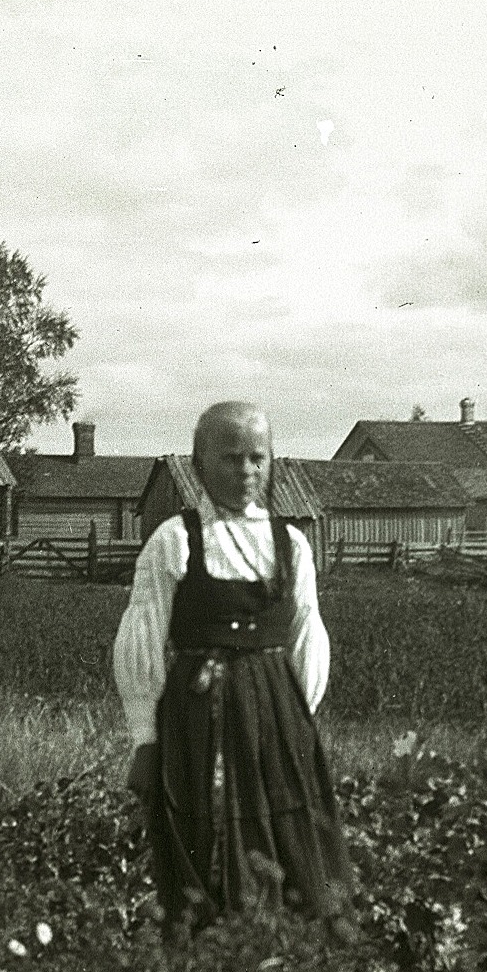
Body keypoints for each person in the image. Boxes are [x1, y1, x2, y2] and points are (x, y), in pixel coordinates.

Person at [112, 401, 358, 943]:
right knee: (205, 826)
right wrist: (145, 741)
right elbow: (142, 640)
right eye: (231, 459)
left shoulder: (290, 544)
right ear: (199, 465)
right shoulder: (174, 542)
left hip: (276, 714)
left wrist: (296, 722)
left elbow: (306, 634)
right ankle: (209, 951)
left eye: (258, 458)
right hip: (199, 713)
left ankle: (293, 950)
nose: (247, 472)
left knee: (291, 833)